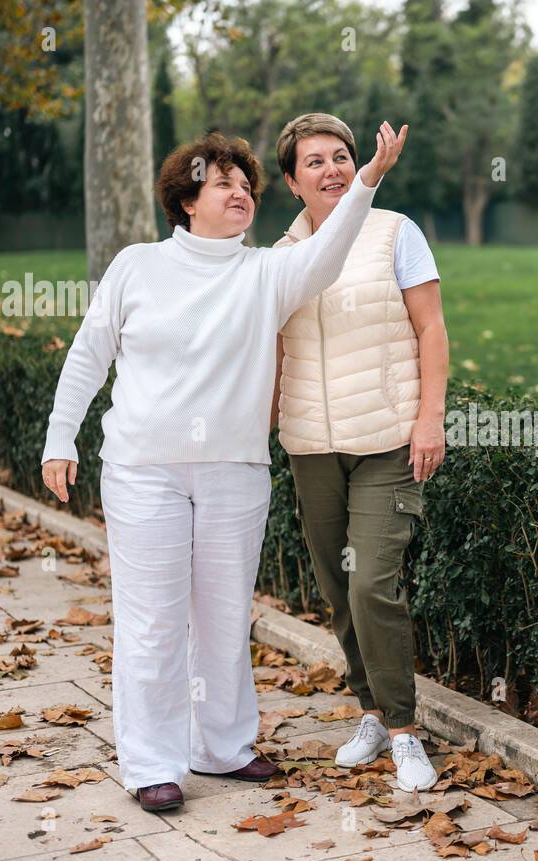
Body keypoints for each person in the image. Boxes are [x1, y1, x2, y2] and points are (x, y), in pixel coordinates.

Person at [40, 123, 408, 812]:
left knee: (223, 617)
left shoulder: (265, 273)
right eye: (223, 183)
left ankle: (223, 746)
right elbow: (89, 355)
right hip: (143, 469)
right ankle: (152, 761)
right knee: (152, 621)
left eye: (247, 185)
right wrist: (61, 438)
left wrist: (369, 179)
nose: (240, 192)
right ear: (186, 198)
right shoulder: (137, 266)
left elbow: (328, 252)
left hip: (234, 473)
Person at [269, 113, 448, 793]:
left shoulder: (396, 233)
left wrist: (429, 419)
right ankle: (369, 712)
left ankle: (404, 731)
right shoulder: (281, 256)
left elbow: (431, 327)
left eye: (341, 156)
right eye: (313, 162)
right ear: (292, 181)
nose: (332, 169)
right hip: (311, 446)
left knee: (374, 580)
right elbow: (272, 351)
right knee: (339, 589)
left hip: (387, 442)